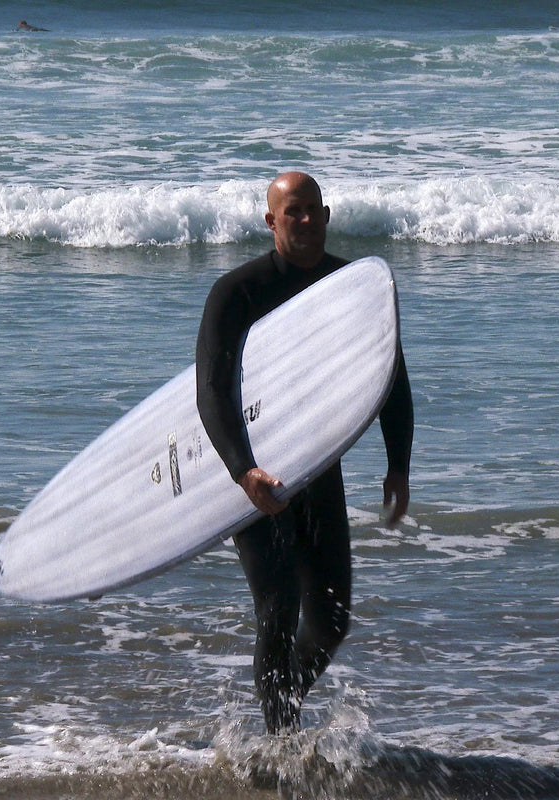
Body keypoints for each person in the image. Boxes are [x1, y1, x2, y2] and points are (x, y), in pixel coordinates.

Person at [195, 172, 413, 734]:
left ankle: (283, 699)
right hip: (252, 473)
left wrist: (398, 465)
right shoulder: (236, 293)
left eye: (315, 210)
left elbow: (392, 376)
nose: (308, 221)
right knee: (278, 605)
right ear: (271, 221)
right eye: (294, 212)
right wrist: (243, 471)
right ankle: (282, 740)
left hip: (317, 468)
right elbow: (211, 392)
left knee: (332, 620)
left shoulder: (351, 287)